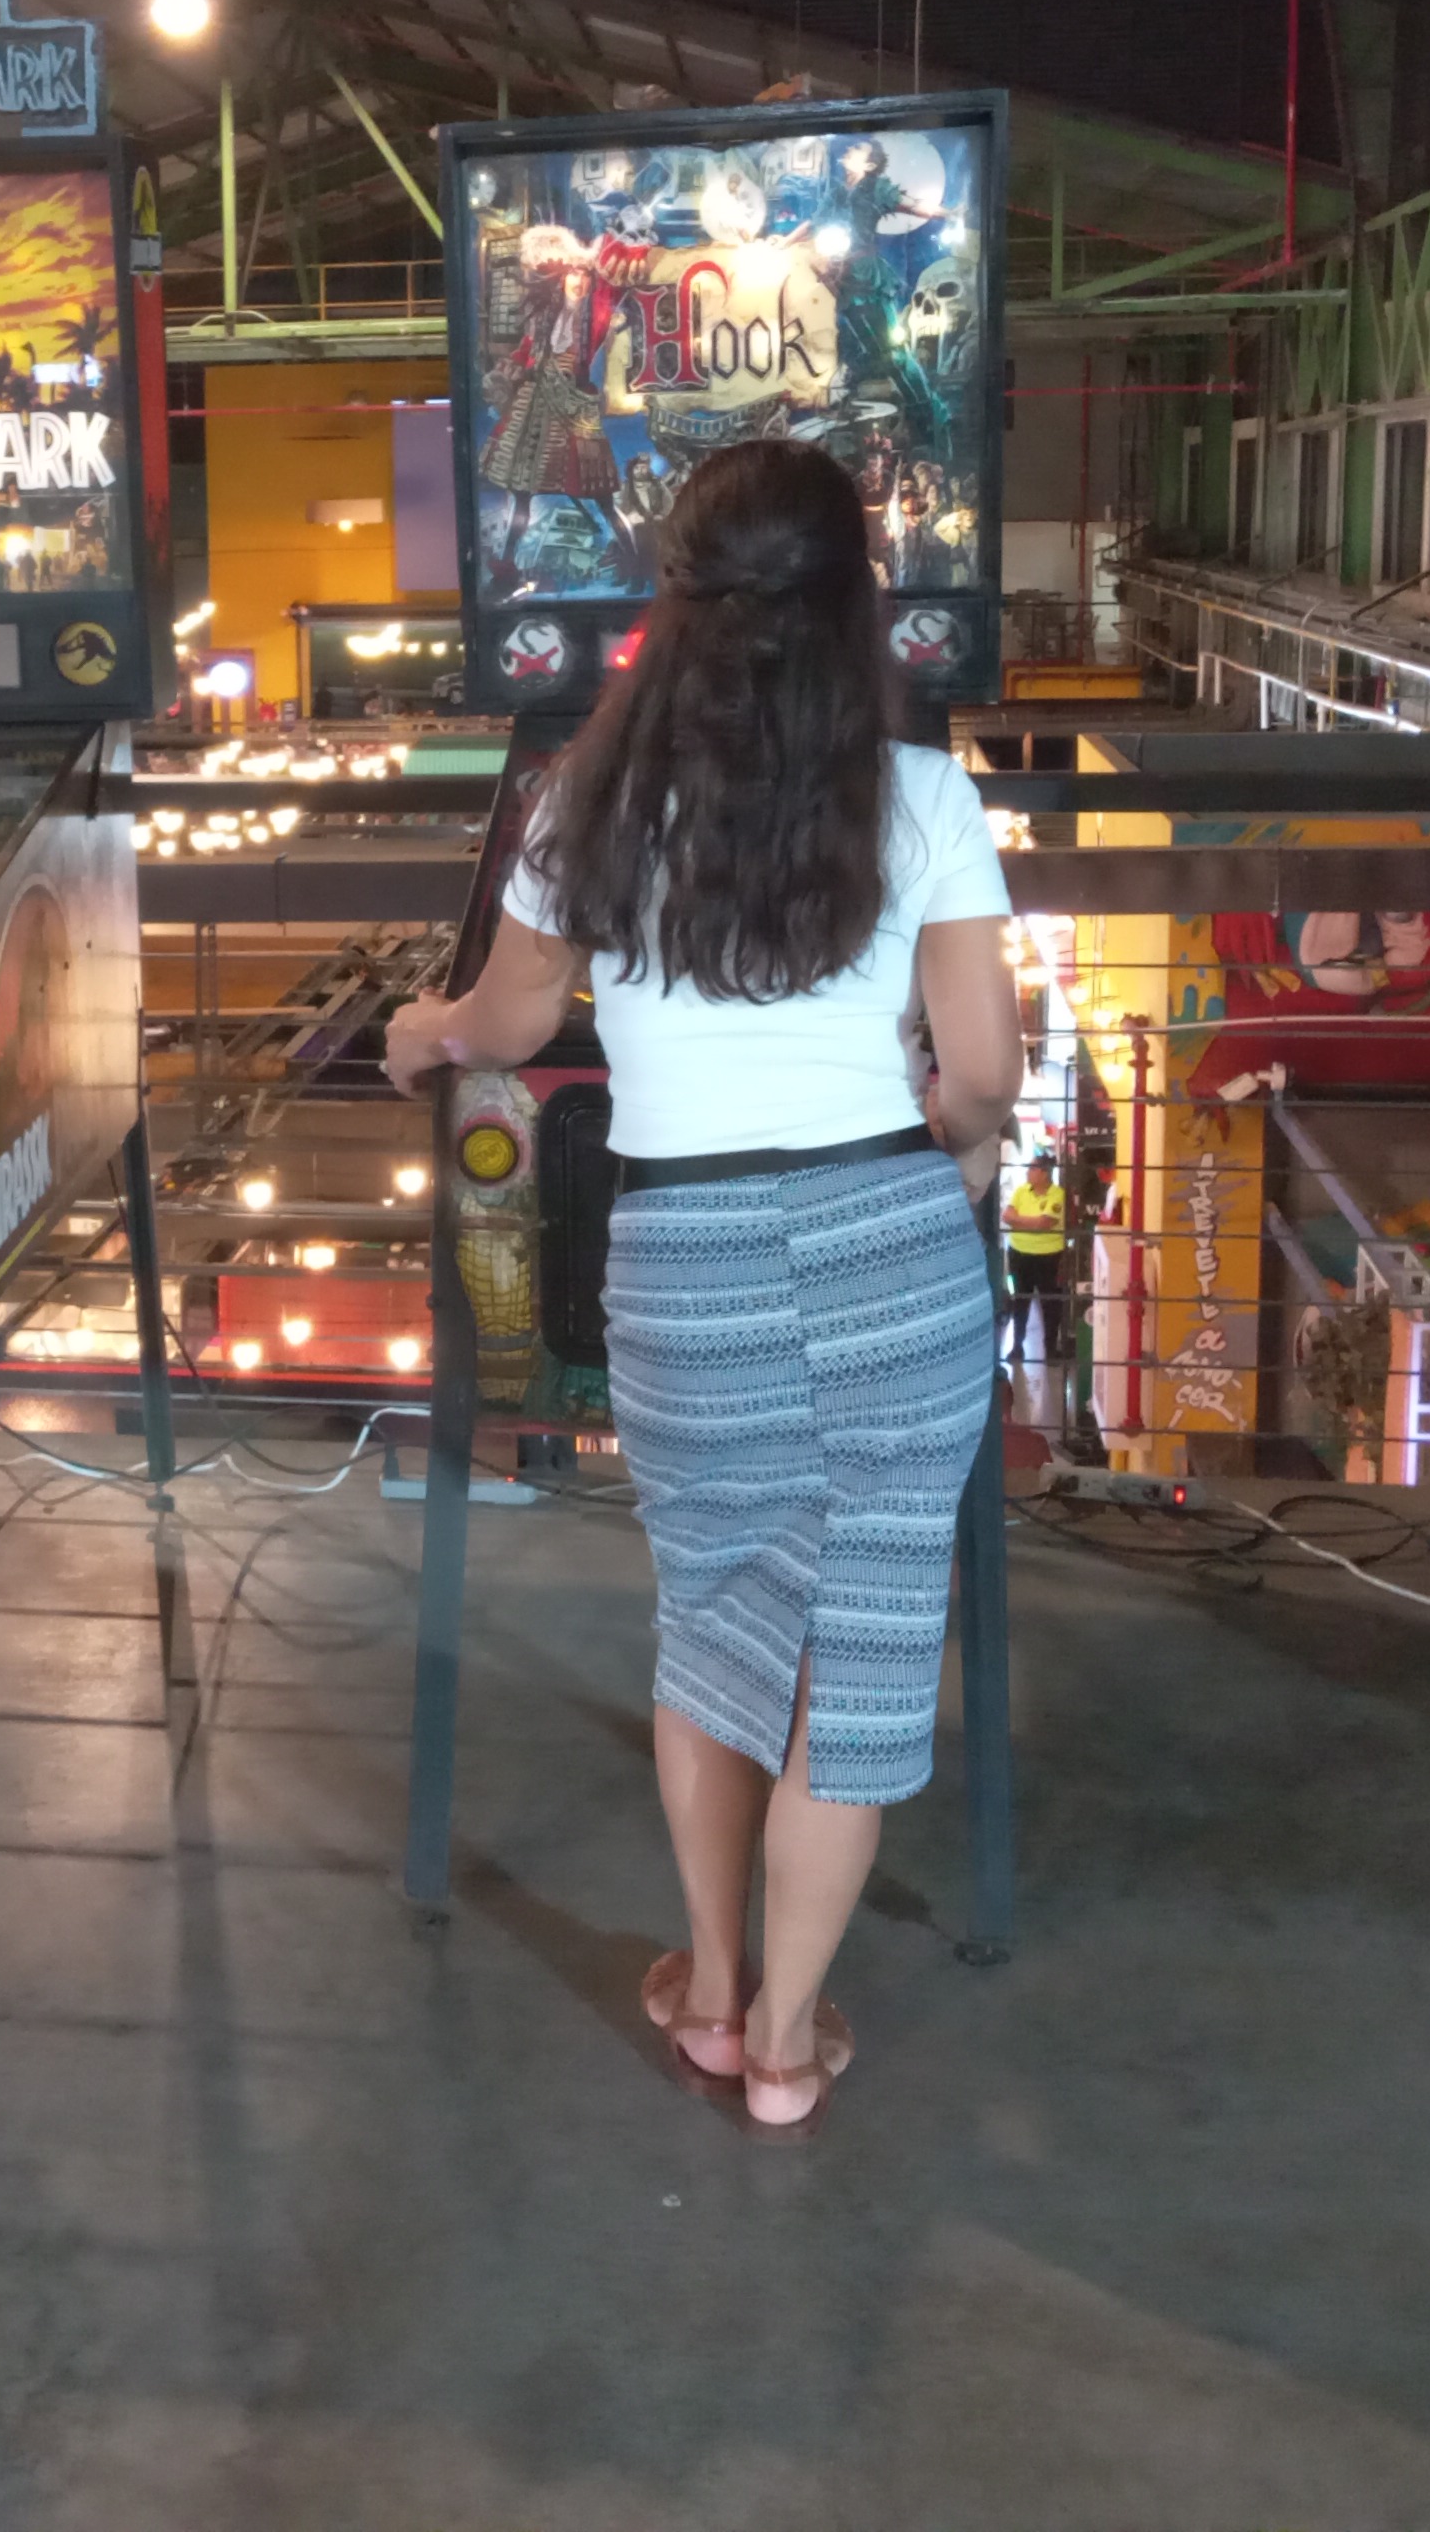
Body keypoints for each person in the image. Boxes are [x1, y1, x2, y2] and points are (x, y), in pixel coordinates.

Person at [386, 437, 1018, 2130]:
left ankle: (717, 1997)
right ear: (855, 601)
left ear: (671, 599)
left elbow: (508, 1022)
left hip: (688, 1261)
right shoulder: (924, 799)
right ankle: (793, 2050)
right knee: (859, 1659)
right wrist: (945, 1161)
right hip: (890, 1255)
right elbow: (983, 1076)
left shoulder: (585, 799)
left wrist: (422, 1032)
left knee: (715, 1617)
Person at [1002, 1147, 1073, 1365]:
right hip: (1019, 1254)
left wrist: (1019, 1220)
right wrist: (1030, 1222)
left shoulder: (1058, 1195)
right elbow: (1006, 1216)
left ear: (1044, 1173)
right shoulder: (1021, 1191)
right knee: (1020, 1301)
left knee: (1050, 1304)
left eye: (1031, 1168)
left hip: (1048, 1258)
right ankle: (1017, 1347)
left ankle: (1050, 1350)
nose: (1027, 1172)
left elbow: (1045, 1223)